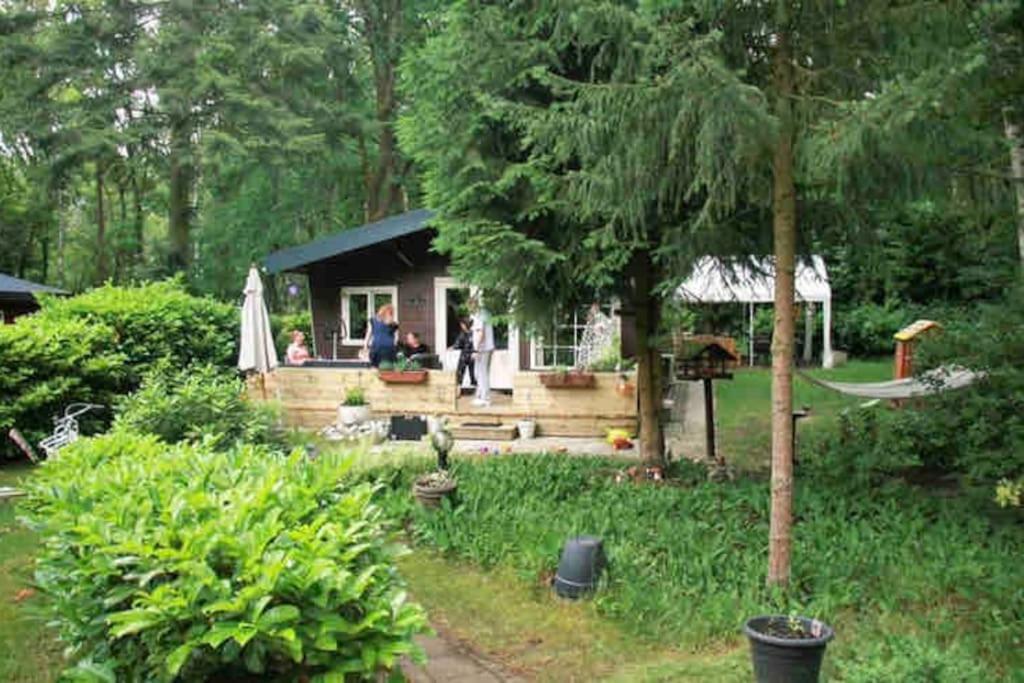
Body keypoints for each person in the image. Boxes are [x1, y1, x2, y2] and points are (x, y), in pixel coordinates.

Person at [469, 296, 495, 406]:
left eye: (470, 306)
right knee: (482, 372)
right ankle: (480, 395)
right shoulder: (485, 313)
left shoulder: (480, 315)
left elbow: (481, 333)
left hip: (482, 349)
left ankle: (485, 398)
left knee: (480, 373)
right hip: (487, 347)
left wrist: (476, 350)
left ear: (473, 305)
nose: (470, 308)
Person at [363, 303, 398, 367]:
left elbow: (368, 334)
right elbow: (396, 339)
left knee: (376, 366)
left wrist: (365, 346)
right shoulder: (394, 325)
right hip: (387, 348)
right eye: (391, 313)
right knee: (388, 367)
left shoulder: (373, 321)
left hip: (377, 347)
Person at [453, 318, 476, 390]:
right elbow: (457, 344)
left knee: (464, 372)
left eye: (462, 324)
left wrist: (453, 347)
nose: (461, 326)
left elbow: (457, 345)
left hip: (467, 355)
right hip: (470, 354)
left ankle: (460, 387)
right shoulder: (470, 334)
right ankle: (463, 385)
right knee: (470, 372)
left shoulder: (466, 334)